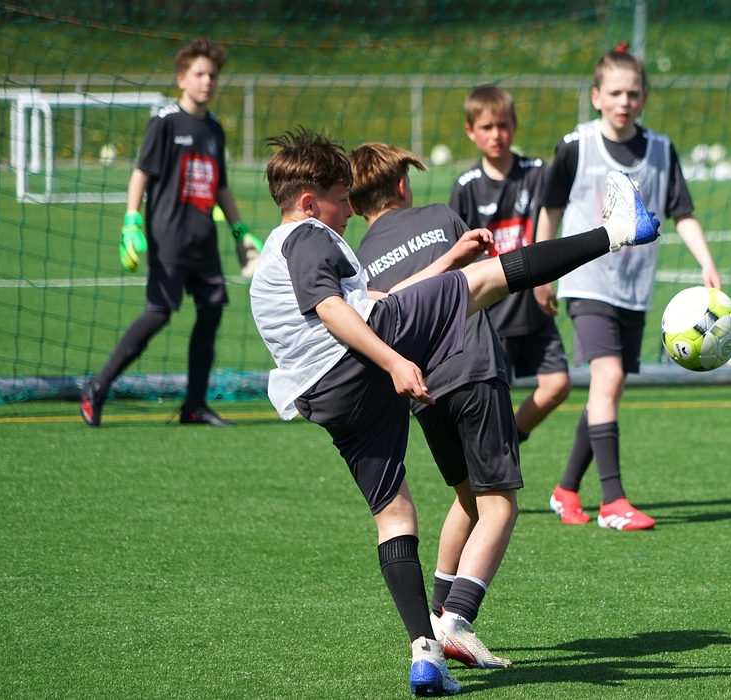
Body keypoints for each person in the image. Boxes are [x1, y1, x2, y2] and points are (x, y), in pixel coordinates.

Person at [249, 127, 659, 696]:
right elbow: (333, 310)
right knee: (488, 280)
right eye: (340, 199)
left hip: (328, 395)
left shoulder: (273, 259)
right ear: (308, 202)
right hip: (362, 356)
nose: (347, 210)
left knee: (394, 517)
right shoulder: (309, 235)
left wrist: (446, 260)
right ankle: (619, 230)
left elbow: (381, 300)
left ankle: (426, 653)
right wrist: (395, 361)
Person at [536, 46, 722, 531]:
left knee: (608, 387)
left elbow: (683, 213)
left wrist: (706, 262)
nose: (624, 101)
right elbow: (550, 210)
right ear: (596, 97)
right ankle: (613, 502)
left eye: (633, 93)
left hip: (634, 287)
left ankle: (565, 489)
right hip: (586, 281)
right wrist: (540, 272)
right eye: (615, 93)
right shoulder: (576, 146)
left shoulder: (660, 149)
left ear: (644, 98)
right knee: (610, 377)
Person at [351, 141, 518, 671]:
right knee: (499, 504)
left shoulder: (358, 263)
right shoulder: (443, 217)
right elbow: (483, 281)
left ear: (353, 205)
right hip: (475, 368)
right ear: (403, 184)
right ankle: (458, 620)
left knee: (468, 498)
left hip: (422, 389)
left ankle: (438, 611)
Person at [80, 38, 262, 427]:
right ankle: (97, 388)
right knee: (159, 313)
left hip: (204, 240)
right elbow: (140, 174)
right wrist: (131, 222)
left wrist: (240, 231)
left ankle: (195, 404)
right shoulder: (164, 122)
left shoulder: (214, 128)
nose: (207, 81)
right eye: (200, 74)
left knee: (211, 312)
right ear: (182, 78)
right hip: (169, 238)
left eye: (213, 75)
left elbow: (221, 186)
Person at [450, 86, 570, 445]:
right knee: (494, 401)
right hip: (492, 313)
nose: (496, 135)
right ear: (471, 131)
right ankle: (495, 453)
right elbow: (457, 250)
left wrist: (545, 277)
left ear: (514, 127)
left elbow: (554, 214)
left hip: (533, 307)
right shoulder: (466, 186)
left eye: (503, 125)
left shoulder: (537, 172)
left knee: (558, 385)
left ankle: (511, 439)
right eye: (486, 127)